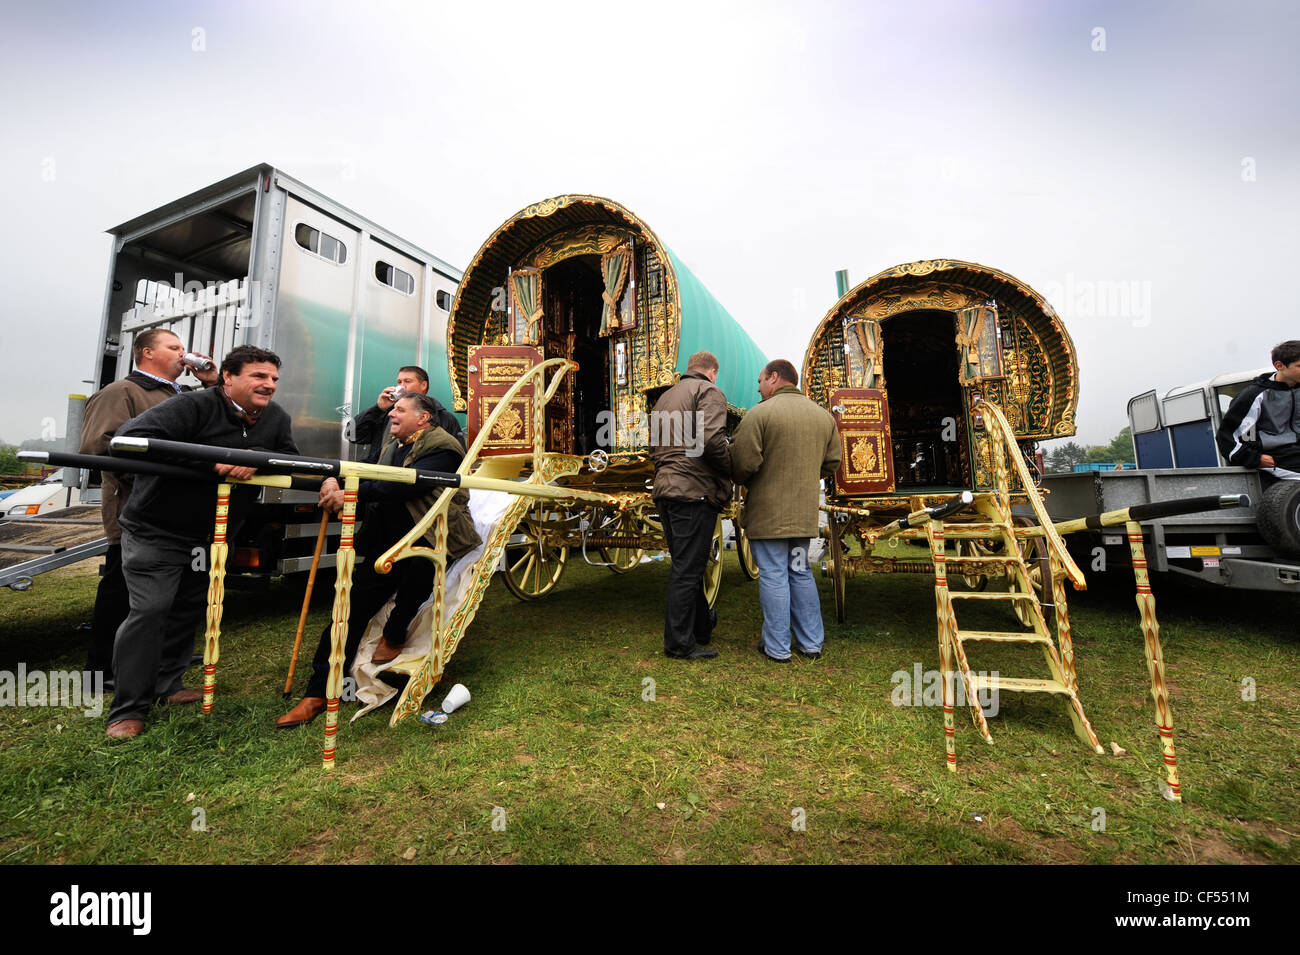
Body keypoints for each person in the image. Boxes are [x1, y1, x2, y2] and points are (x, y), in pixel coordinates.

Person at [104, 346, 297, 740]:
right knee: (151, 610)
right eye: (259, 376)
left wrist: (255, 457)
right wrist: (214, 462)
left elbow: (288, 458)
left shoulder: (275, 418)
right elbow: (129, 439)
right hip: (156, 528)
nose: (269, 385)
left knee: (188, 608)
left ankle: (167, 686)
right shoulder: (191, 406)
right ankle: (127, 708)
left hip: (209, 535)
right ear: (228, 376)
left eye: (274, 379)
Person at [278, 393, 481, 728]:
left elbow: (403, 487)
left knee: (418, 577)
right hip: (386, 543)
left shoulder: (443, 447)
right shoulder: (391, 444)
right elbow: (365, 471)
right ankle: (317, 691)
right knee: (349, 609)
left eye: (401, 410)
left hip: (430, 538)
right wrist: (333, 480)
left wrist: (351, 494)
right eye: (393, 410)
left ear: (424, 418)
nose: (392, 414)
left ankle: (396, 631)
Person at [79, 329, 218, 690]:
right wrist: (155, 478)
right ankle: (102, 673)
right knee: (121, 591)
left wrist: (212, 385)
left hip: (176, 513)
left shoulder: (184, 395)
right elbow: (100, 447)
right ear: (146, 353)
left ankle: (156, 671)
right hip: (133, 508)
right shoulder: (121, 392)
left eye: (183, 349)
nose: (182, 355)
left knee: (171, 596)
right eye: (173, 348)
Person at [731, 359, 841, 662]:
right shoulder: (823, 417)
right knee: (800, 571)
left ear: (774, 378)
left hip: (768, 516)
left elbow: (743, 465)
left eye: (760, 380)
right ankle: (811, 644)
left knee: (773, 575)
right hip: (802, 514)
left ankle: (778, 648)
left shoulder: (759, 414)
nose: (758, 386)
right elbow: (832, 463)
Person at [648, 351, 732, 660]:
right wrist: (730, 467)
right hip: (693, 492)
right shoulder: (709, 391)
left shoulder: (664, 398)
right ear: (712, 372)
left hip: (665, 490)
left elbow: (654, 450)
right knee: (687, 569)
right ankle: (679, 645)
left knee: (688, 564)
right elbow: (712, 441)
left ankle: (701, 626)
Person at [1216, 340, 1300, 481]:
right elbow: (1227, 435)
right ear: (1279, 366)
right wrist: (1255, 458)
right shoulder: (1254, 395)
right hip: (1275, 458)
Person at [352, 365, 464, 452]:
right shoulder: (387, 413)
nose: (401, 386)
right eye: (399, 382)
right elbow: (352, 435)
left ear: (423, 385)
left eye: (407, 381)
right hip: (379, 477)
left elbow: (456, 453)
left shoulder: (443, 417)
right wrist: (378, 409)